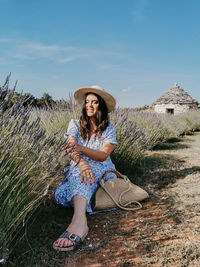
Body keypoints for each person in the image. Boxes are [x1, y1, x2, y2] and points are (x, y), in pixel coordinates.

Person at [53, 85, 117, 251]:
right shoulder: (74, 124)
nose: (89, 105)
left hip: (102, 170)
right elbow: (70, 148)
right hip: (79, 169)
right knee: (60, 194)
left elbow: (103, 155)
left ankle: (79, 223)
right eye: (87, 102)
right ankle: (87, 200)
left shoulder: (109, 129)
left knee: (83, 174)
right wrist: (82, 162)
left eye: (94, 102)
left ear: (101, 106)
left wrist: (80, 150)